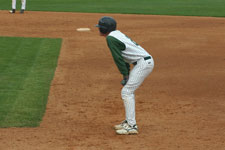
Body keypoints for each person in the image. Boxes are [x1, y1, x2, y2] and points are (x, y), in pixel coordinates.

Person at [96, 16, 154, 135]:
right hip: (143, 62)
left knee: (126, 92)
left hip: (143, 64)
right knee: (127, 91)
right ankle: (128, 122)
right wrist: (126, 74)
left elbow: (118, 58)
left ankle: (132, 126)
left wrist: (125, 74)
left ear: (104, 29)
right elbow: (124, 57)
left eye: (100, 27)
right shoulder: (116, 34)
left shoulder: (111, 39)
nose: (99, 29)